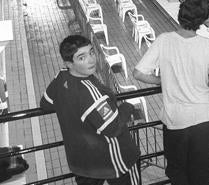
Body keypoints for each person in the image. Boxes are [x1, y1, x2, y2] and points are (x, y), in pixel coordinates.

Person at [133, 0, 209, 185]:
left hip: (176, 121)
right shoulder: (206, 45)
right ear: (202, 20)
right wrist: (204, 81)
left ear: (180, 15)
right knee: (201, 174)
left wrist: (162, 80)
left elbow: (138, 73)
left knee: (178, 173)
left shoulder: (163, 40)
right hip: (205, 118)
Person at [40, 35, 140, 185]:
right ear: (69, 63)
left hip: (82, 161)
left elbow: (45, 104)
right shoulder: (91, 93)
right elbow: (113, 128)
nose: (91, 59)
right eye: (82, 57)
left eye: (91, 52)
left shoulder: (61, 77)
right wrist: (128, 107)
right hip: (114, 160)